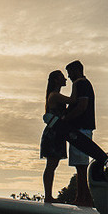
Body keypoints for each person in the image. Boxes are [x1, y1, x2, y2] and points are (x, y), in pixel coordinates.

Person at [64, 59, 96, 206]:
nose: (69, 77)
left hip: (81, 129)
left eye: (70, 73)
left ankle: (83, 198)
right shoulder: (83, 84)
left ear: (76, 70)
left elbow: (82, 106)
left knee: (81, 166)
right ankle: (82, 196)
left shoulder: (81, 84)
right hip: (83, 128)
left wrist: (65, 119)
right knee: (80, 165)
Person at [40, 69, 72, 202]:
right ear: (56, 80)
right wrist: (78, 83)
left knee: (52, 165)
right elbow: (73, 100)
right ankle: (48, 196)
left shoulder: (55, 95)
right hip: (53, 133)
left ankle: (48, 195)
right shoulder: (54, 96)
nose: (65, 79)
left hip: (57, 133)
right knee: (51, 165)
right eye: (62, 77)